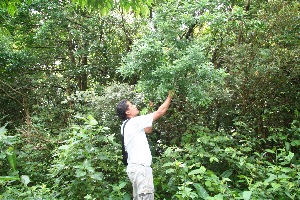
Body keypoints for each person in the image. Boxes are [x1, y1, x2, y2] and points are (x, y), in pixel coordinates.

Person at [116, 91, 173, 200]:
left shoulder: (126, 125)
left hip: (135, 169)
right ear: (128, 111)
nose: (135, 106)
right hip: (140, 169)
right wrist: (170, 96)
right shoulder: (133, 122)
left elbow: (148, 129)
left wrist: (149, 110)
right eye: (132, 105)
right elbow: (161, 112)